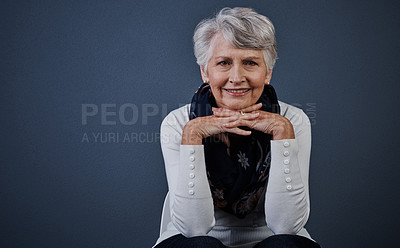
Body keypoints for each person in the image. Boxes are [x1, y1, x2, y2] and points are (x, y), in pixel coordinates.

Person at [154, 7, 321, 248]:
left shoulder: (292, 120)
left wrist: (283, 133)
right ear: (205, 71)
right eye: (223, 62)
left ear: (268, 73)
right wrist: (192, 136)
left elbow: (287, 227)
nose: (236, 77)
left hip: (269, 240)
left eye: (250, 63)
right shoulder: (179, 123)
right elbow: (193, 229)